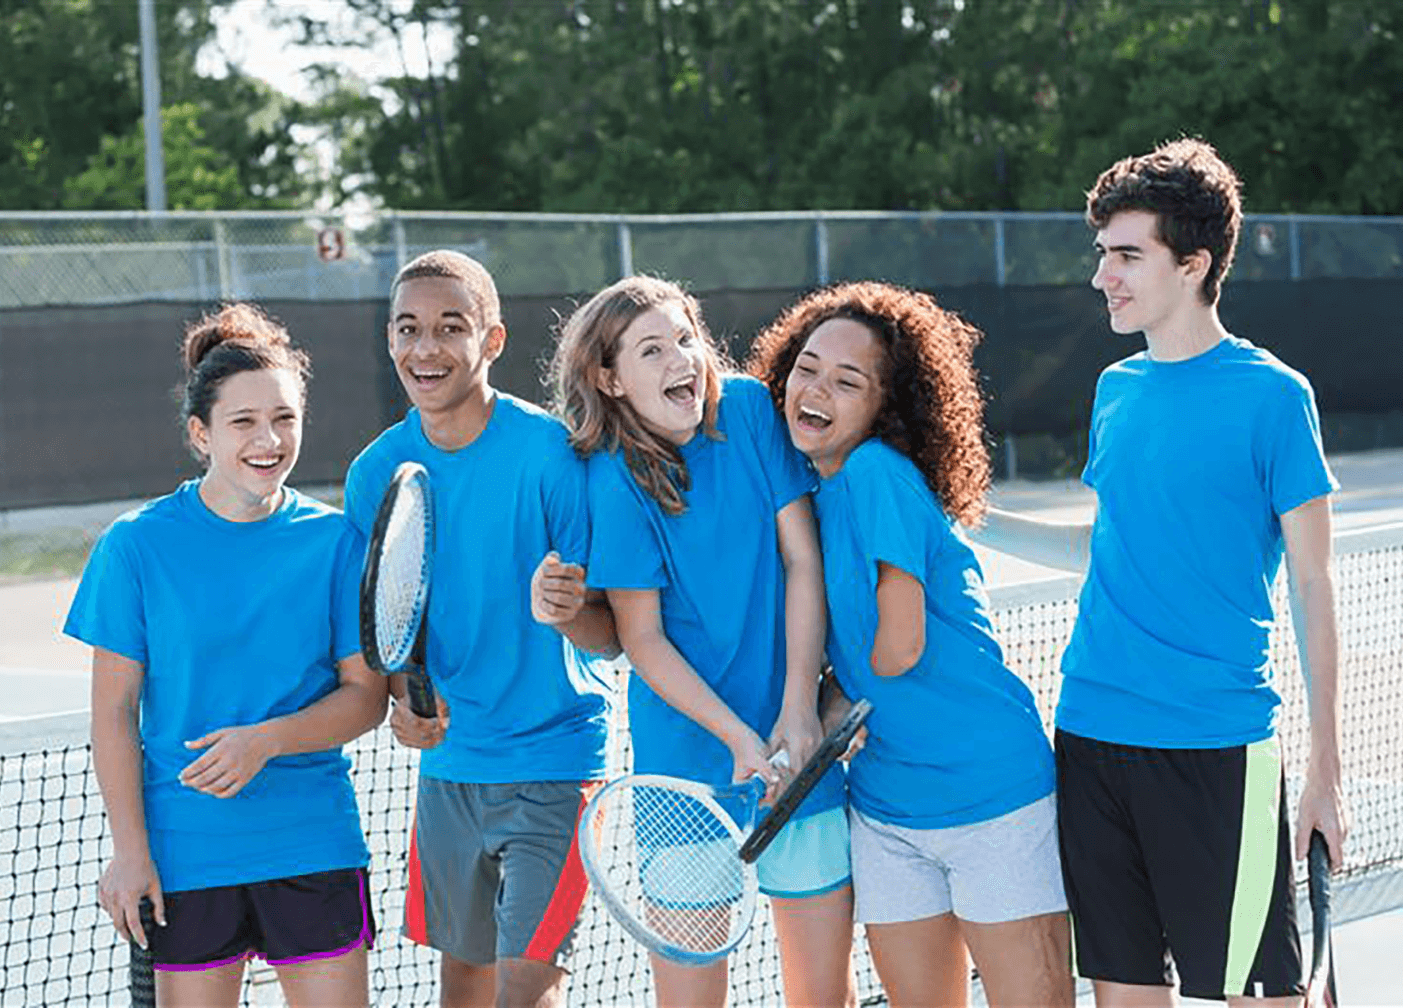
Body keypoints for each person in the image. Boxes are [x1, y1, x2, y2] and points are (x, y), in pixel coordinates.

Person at [971, 138, 1346, 1005]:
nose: (1104, 274)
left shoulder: (1275, 397)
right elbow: (1112, 549)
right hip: (1093, 738)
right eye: (1103, 253)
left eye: (1128, 255)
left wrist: (1325, 768)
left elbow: (1313, 583)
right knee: (1123, 994)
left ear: (1194, 263)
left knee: (1264, 997)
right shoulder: (1116, 390)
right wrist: (968, 511)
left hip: (1216, 748)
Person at [747, 281, 1074, 1008]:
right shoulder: (810, 498)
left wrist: (833, 713)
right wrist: (810, 720)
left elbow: (897, 646)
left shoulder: (875, 474)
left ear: (883, 409)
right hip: (889, 812)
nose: (817, 388)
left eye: (848, 380)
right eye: (807, 366)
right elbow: (861, 663)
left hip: (991, 797)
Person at [545, 276, 855, 1008]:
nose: (679, 358)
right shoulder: (610, 479)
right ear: (609, 377)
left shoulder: (746, 409)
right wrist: (739, 739)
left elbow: (801, 561)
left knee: (823, 997)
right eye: (650, 349)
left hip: (798, 756)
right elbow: (642, 640)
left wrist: (797, 712)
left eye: (685, 338)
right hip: (682, 779)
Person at [67, 304, 387, 1008]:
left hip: (313, 842)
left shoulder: (336, 543)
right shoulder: (135, 546)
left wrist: (266, 742)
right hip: (186, 853)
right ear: (200, 432)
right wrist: (130, 852)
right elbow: (114, 714)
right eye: (243, 422)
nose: (268, 440)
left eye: (284, 419)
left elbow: (365, 696)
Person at [343, 249, 617, 1008]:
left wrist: (574, 608)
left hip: (556, 763)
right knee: (464, 990)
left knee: (523, 991)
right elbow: (386, 624)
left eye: (449, 328)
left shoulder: (552, 454)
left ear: (491, 341)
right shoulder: (375, 473)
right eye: (407, 329)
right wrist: (403, 698)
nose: (424, 349)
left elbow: (609, 635)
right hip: (450, 776)